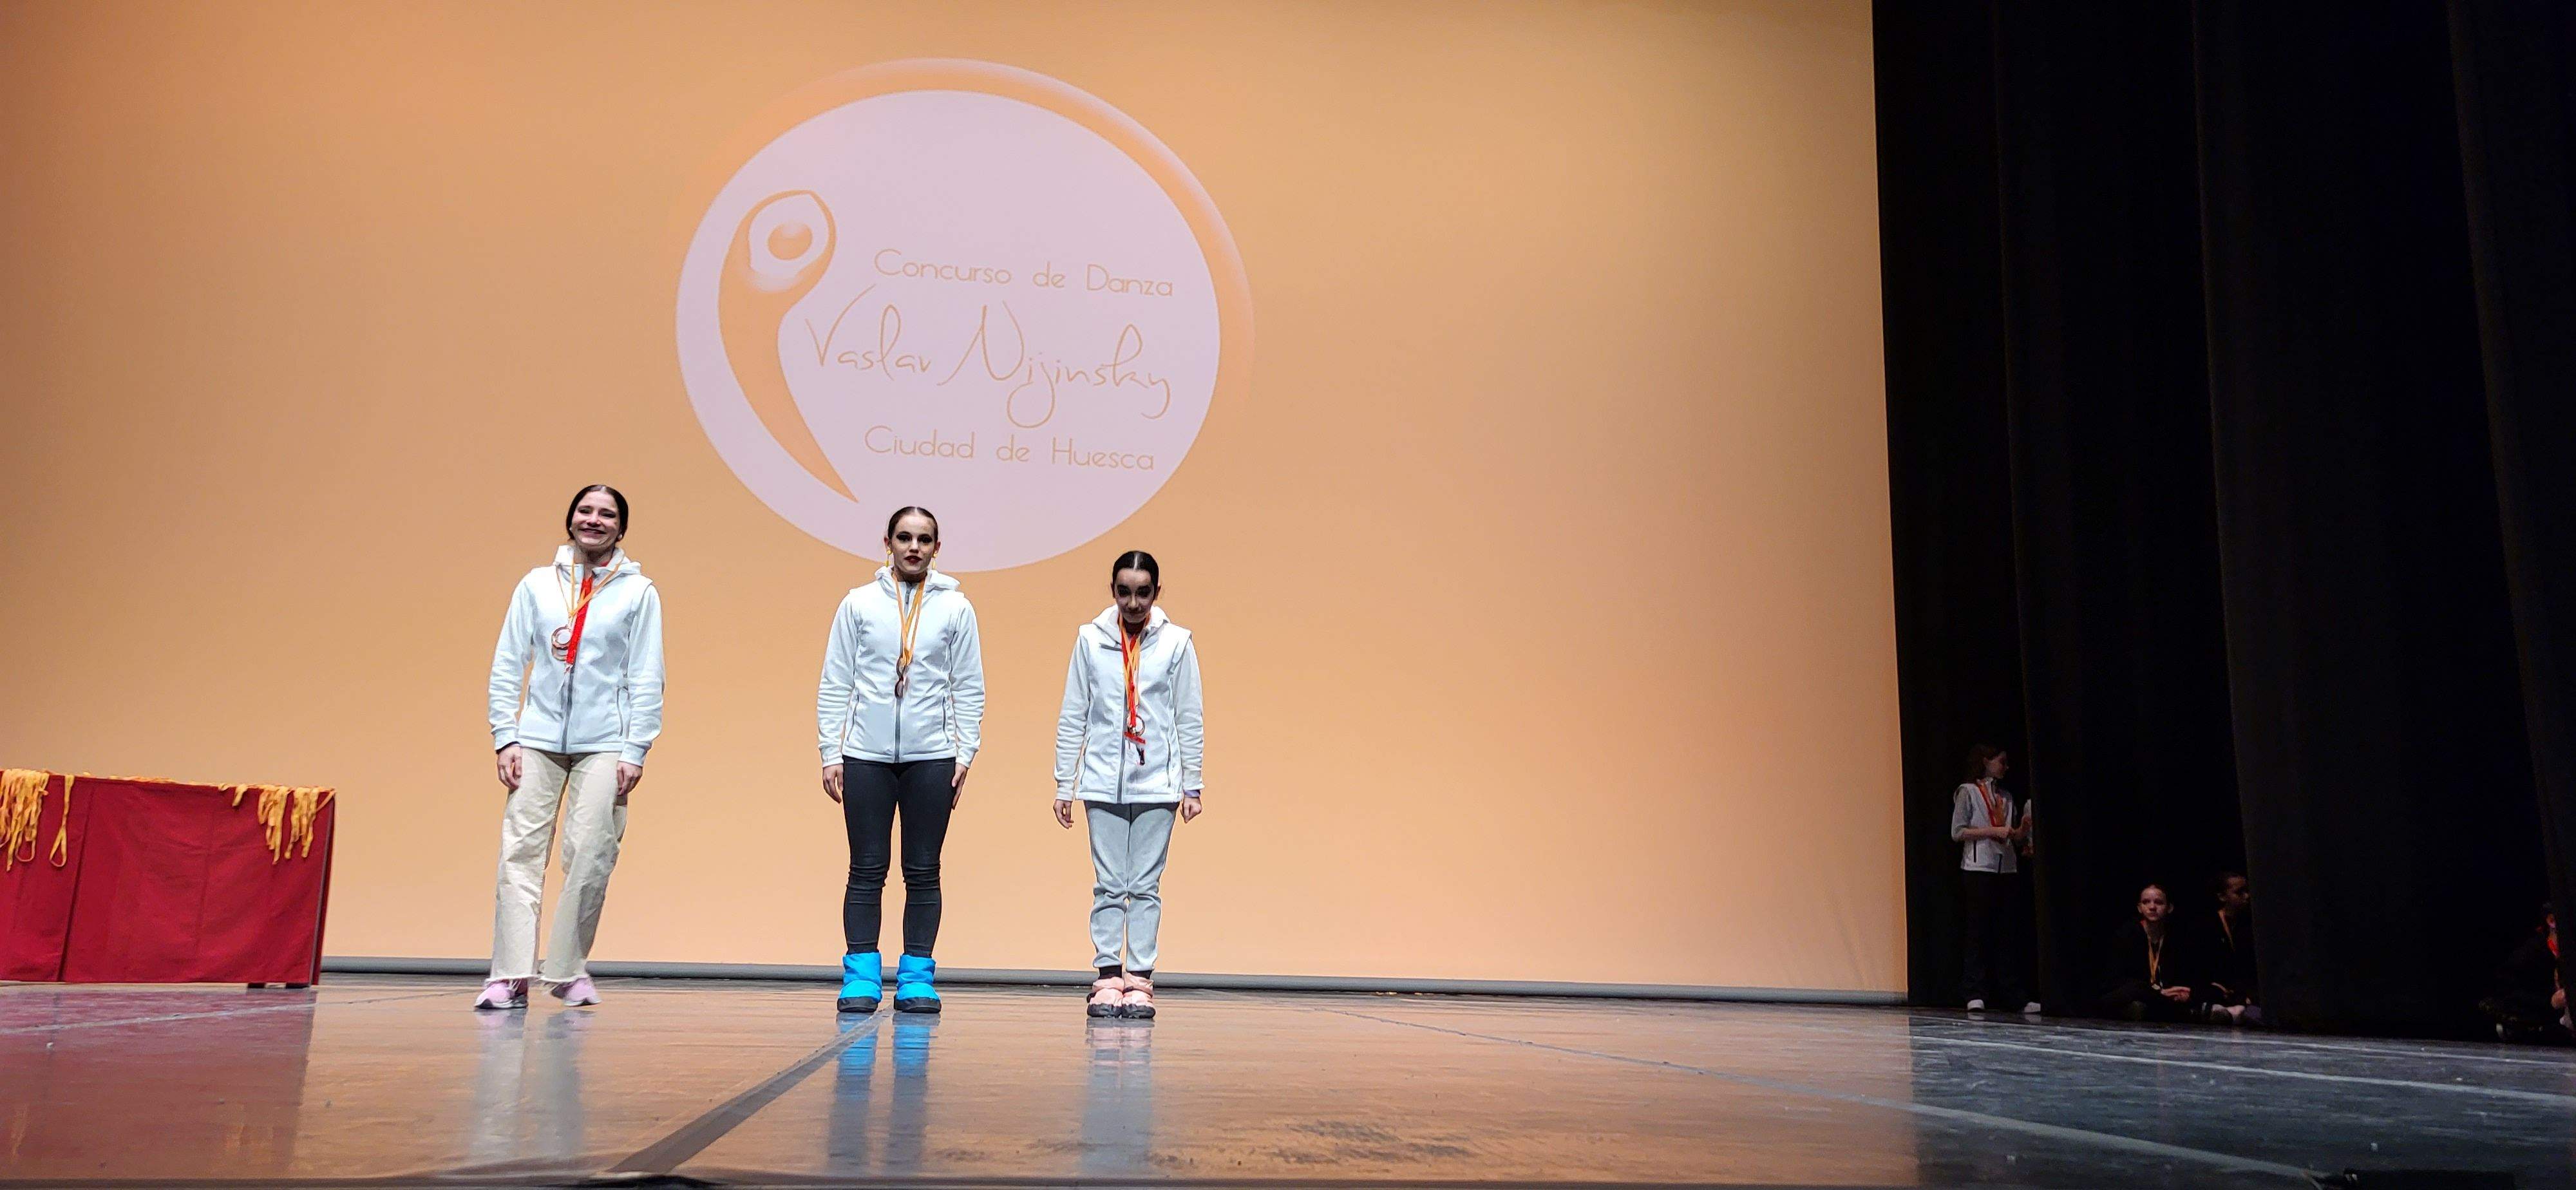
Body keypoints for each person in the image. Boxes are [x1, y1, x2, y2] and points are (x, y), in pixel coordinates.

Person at [478, 484, 665, 1010]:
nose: (595, 520)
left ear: (621, 530)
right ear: (570, 520)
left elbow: (647, 675)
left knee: (591, 853)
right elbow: (509, 662)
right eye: (586, 511)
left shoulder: (638, 592)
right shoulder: (536, 585)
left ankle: (566, 970)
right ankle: (509, 974)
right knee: (519, 853)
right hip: (535, 738)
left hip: (606, 741)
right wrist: (505, 735)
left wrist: (636, 747)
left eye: (607, 515)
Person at [818, 507, 985, 1014]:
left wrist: (965, 751)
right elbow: (836, 680)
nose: (914, 547)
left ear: (938, 547)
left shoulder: (956, 608)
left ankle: (917, 976)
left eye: (925, 539)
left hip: (932, 757)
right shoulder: (858, 604)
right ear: (886, 542)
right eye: (905, 538)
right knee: (866, 870)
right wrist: (832, 750)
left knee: (924, 871)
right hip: (865, 755)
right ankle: (862, 975)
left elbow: (969, 686)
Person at [1052, 551, 1206, 1020]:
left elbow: (1189, 715)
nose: (1133, 602)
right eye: (1124, 592)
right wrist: (1065, 781)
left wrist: (1192, 784)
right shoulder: (1090, 639)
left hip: (1158, 782)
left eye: (1143, 592)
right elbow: (1074, 712)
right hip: (1101, 781)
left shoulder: (1177, 643)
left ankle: (1140, 978)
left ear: (1157, 593)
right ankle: (1106, 976)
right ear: (1112, 591)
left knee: (1144, 885)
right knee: (1108, 884)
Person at [1950, 745, 2038, 1014]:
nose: (2006, 767)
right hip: (1978, 869)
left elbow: (2011, 836)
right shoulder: (1968, 792)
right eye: (2002, 761)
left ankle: (2013, 995)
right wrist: (1993, 830)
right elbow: (1958, 832)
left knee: (2006, 934)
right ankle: (1974, 991)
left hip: (2006, 869)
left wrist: (2022, 831)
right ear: (1986, 761)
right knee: (1977, 933)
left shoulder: (2006, 797)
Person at [2098, 883, 2202, 1023]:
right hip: (2132, 993)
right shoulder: (2126, 935)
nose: (2152, 907)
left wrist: (2182, 994)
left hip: (2159, 996)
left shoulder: (2177, 938)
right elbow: (2115, 980)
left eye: (2158, 902)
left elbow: (2185, 974)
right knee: (2135, 992)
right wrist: (2157, 992)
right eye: (2146, 902)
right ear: (2139, 908)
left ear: (2169, 908)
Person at [2480, 905, 2568, 1044]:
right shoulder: (2530, 954)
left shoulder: (2568, 956)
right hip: (2535, 1033)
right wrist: (2550, 1002)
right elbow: (2505, 993)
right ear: (2552, 921)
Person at [2195, 871, 2260, 1025]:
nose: (2247, 896)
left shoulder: (2250, 925)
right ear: (2222, 897)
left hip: (2243, 992)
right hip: (2217, 990)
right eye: (2239, 893)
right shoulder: (2206, 926)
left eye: (2247, 891)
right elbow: (2201, 965)